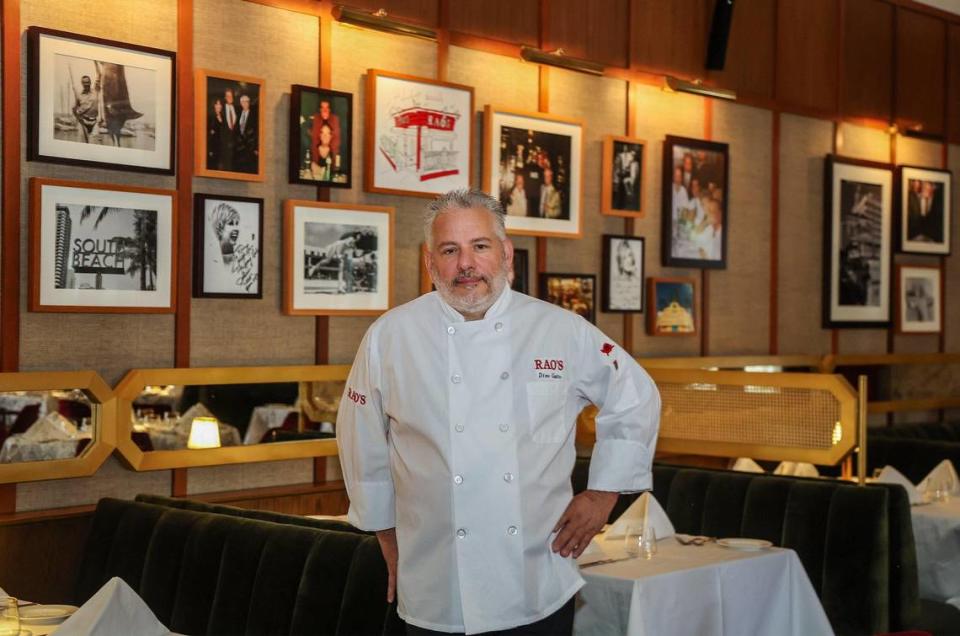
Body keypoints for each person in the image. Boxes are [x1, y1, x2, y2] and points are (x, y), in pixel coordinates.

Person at [337, 189, 661, 636]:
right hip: (436, 585)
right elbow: (361, 441)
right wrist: (386, 535)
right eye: (450, 250)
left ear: (506, 254)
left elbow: (636, 395)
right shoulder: (389, 337)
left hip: (536, 582)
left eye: (480, 246)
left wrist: (603, 494)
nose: (465, 264)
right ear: (430, 263)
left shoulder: (560, 329)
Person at [72, 74, 100, 143]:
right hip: (83, 122)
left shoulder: (96, 91)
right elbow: (74, 108)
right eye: (84, 82)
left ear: (90, 82)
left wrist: (96, 63)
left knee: (94, 145)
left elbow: (99, 75)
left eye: (87, 82)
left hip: (94, 122)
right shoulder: (79, 95)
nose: (86, 84)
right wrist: (78, 118)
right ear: (82, 83)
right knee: (82, 145)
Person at [235, 94, 258, 173]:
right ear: (241, 103)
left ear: (249, 103)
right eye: (243, 102)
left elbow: (256, 132)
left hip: (250, 148)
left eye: (246, 102)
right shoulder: (238, 115)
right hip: (240, 149)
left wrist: (256, 147)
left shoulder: (254, 116)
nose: (245, 104)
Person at [206, 98, 225, 169]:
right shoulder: (211, 117)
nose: (219, 106)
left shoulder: (223, 117)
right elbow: (209, 136)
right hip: (213, 148)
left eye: (220, 104)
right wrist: (210, 150)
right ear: (214, 106)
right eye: (217, 104)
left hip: (222, 147)